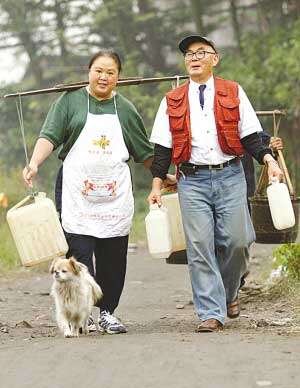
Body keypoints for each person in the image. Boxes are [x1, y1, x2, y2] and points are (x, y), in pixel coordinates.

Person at [148, 35, 283, 332]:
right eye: (188, 54)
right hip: (191, 180)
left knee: (238, 241)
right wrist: (157, 185)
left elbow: (250, 137)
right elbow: (162, 149)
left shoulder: (233, 91)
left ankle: (229, 292)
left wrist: (269, 160)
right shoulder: (171, 100)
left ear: (214, 59)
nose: (194, 58)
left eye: (201, 52)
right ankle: (211, 311)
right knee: (199, 247)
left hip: (230, 175)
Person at [23, 50, 153, 334]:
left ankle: (107, 312)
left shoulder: (126, 109)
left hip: (114, 195)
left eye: (110, 72)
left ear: (119, 77)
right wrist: (34, 163)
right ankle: (83, 313)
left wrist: (164, 174)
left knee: (113, 255)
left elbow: (144, 152)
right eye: (99, 71)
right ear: (89, 71)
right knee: (79, 255)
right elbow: (50, 135)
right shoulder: (70, 101)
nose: (104, 77)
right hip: (76, 192)